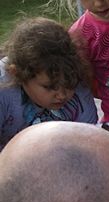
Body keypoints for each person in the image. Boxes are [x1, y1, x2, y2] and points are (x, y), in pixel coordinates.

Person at [0, 17, 97, 151]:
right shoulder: (3, 91)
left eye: (69, 84)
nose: (62, 95)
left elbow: (89, 139)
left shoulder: (75, 74)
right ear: (18, 74)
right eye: (50, 87)